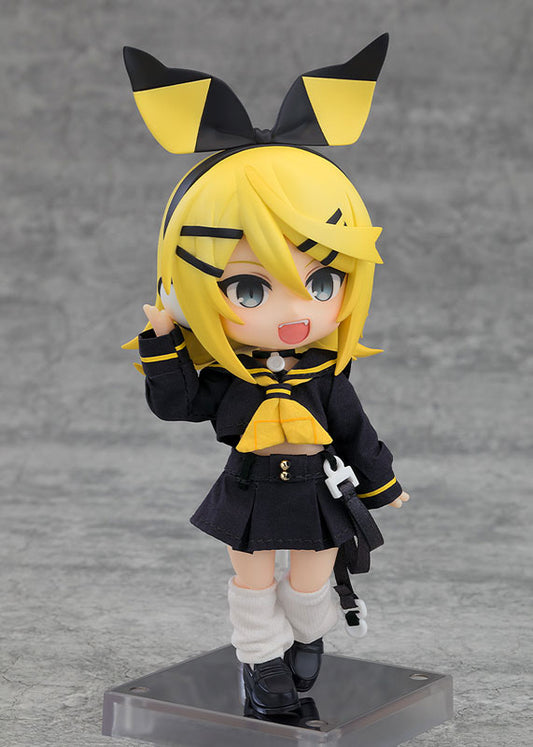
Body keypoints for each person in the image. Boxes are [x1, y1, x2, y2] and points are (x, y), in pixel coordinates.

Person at [123, 36, 409, 716]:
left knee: (311, 576)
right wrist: (163, 342)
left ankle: (307, 635)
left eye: (321, 282)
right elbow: (178, 404)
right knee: (250, 578)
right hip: (249, 485)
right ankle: (260, 662)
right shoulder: (230, 377)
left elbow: (355, 431)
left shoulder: (325, 376)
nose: (293, 312)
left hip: (315, 487)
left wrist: (382, 484)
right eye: (249, 289)